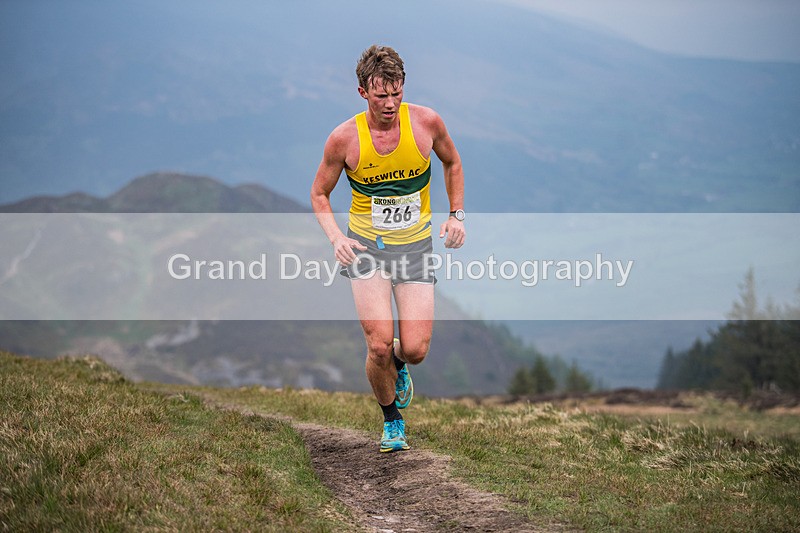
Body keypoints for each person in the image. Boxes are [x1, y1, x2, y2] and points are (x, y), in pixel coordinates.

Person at [310, 44, 465, 452]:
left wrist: (457, 215)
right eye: (381, 95)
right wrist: (337, 238)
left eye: (396, 93)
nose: (391, 103)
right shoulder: (344, 139)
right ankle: (391, 419)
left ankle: (398, 364)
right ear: (363, 92)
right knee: (378, 342)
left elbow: (453, 162)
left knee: (414, 349)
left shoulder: (426, 123)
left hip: (414, 248)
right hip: (367, 251)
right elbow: (319, 195)